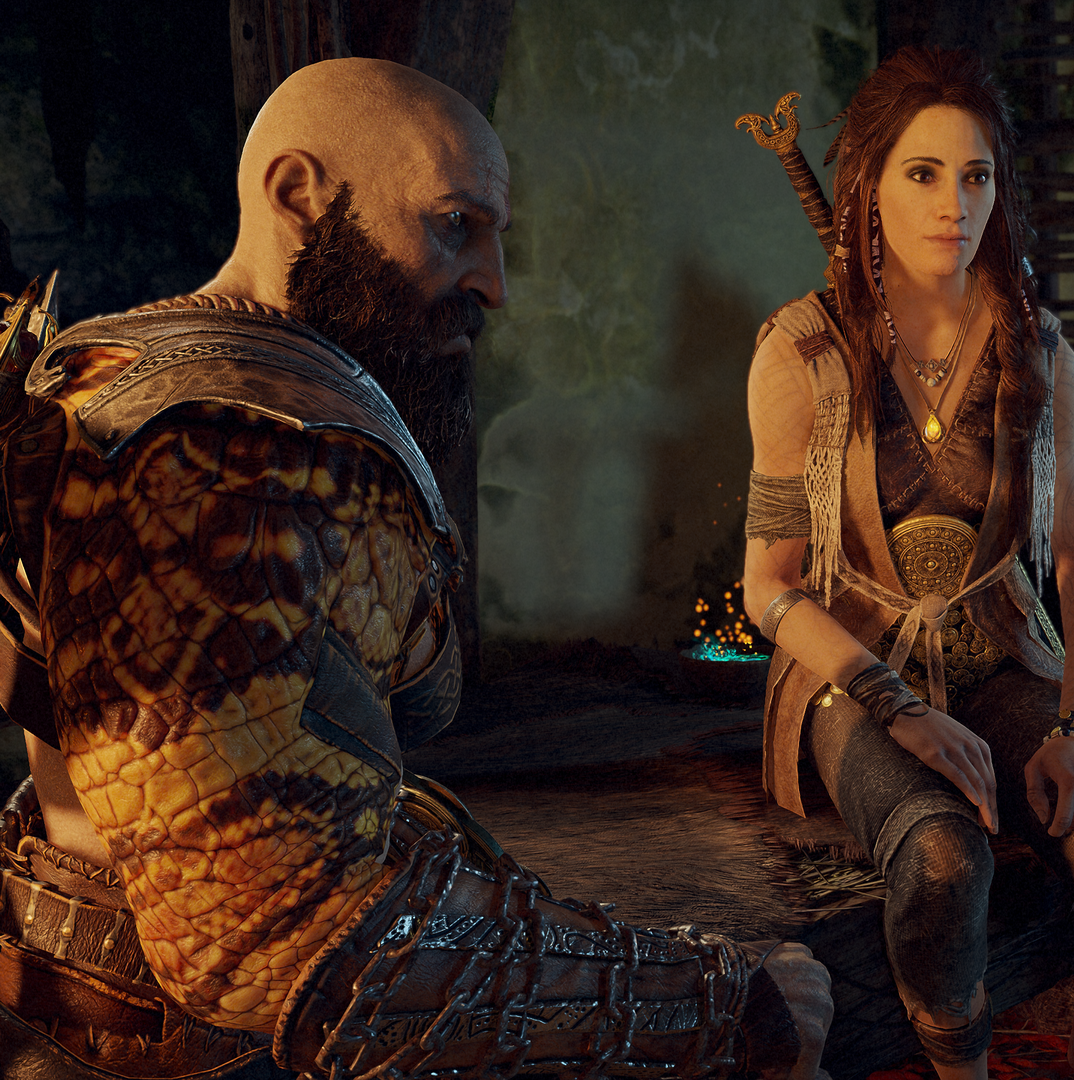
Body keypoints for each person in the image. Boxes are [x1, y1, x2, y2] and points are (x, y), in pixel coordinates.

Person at [0, 58, 829, 1080]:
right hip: (206, 1049)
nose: (494, 284)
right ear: (300, 194)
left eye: (494, 235)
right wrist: (719, 1005)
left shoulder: (130, 370)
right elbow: (275, 937)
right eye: (453, 225)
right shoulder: (217, 452)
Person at [741, 46, 1074, 1079]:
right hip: (849, 671)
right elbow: (770, 585)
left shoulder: (1040, 354)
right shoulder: (800, 353)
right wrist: (898, 707)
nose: (956, 203)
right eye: (924, 172)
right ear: (868, 188)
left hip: (1002, 656)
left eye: (977, 175)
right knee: (945, 860)